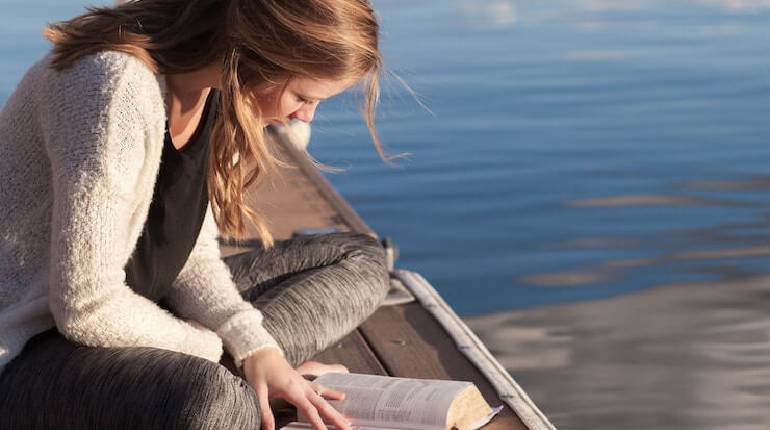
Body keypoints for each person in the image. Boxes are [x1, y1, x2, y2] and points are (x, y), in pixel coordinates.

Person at [0, 0, 390, 429]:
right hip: (32, 349)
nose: (305, 115)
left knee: (359, 261)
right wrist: (215, 350)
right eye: (302, 96)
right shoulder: (111, 88)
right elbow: (86, 308)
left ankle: (259, 379)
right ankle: (247, 384)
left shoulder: (213, 88)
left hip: (142, 311)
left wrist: (257, 347)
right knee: (213, 399)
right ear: (255, 52)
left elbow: (189, 256)